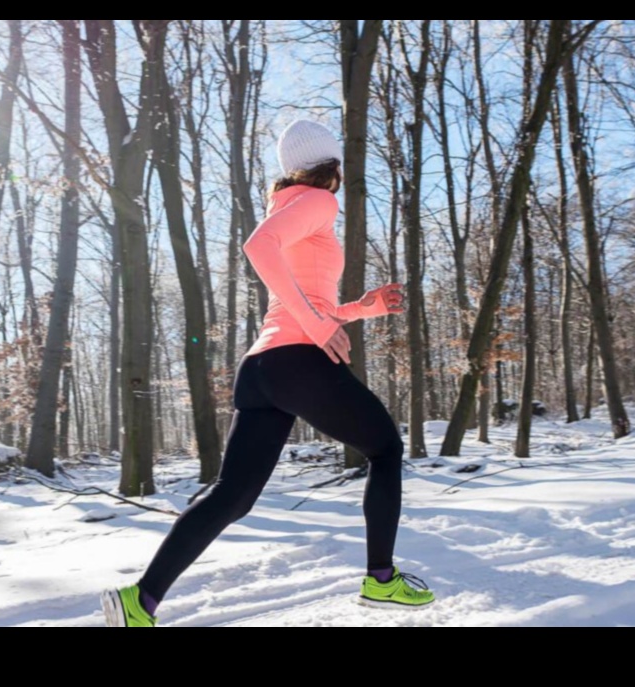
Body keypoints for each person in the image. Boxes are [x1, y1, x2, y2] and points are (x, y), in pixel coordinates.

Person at [102, 120, 434, 627]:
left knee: (231, 496)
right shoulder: (319, 202)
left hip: (262, 369)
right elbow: (258, 249)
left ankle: (139, 602)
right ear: (331, 164)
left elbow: (302, 300)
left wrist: (357, 310)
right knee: (386, 449)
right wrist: (319, 323)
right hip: (296, 360)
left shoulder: (289, 205)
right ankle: (381, 580)